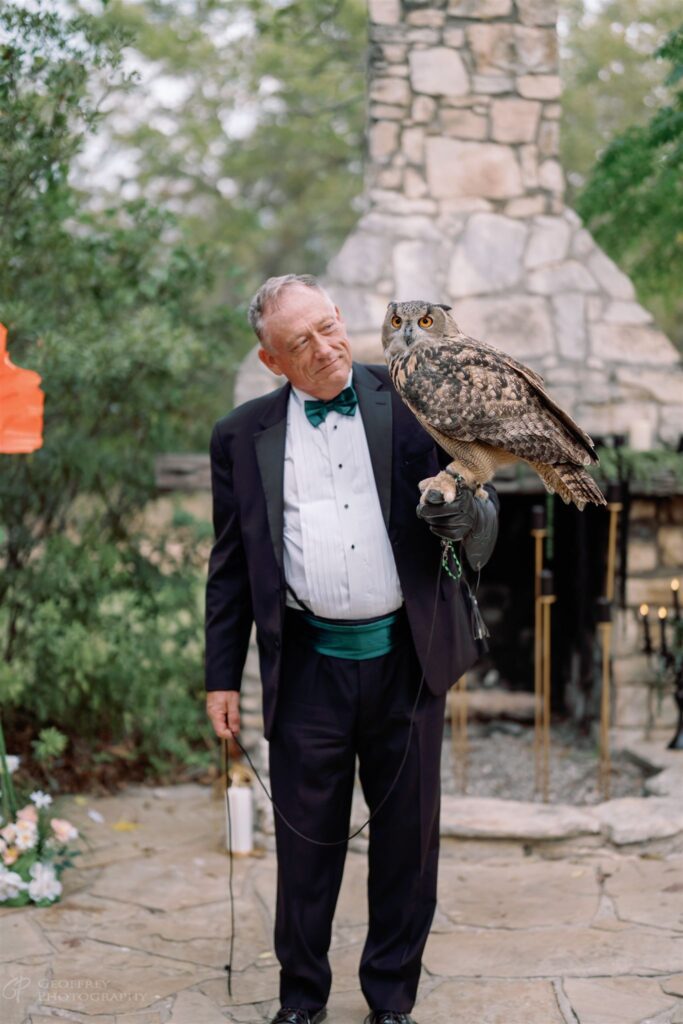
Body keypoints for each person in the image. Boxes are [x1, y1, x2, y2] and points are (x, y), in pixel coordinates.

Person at [205, 274, 499, 1024]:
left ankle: (389, 1003)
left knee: (407, 848)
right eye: (300, 341)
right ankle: (301, 1003)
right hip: (305, 670)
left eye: (330, 326)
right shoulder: (240, 437)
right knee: (305, 852)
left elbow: (483, 515)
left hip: (407, 660)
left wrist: (461, 511)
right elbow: (230, 566)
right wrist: (220, 678)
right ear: (272, 362)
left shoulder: (410, 401)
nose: (325, 347)